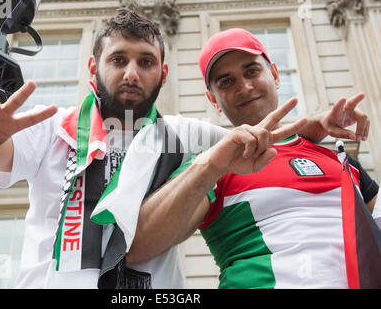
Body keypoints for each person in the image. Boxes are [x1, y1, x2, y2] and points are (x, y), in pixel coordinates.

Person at [0, 9, 371, 289]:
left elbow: (258, 138)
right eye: (118, 59)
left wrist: (316, 126)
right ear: (94, 67)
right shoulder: (51, 126)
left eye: (145, 62)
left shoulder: (185, 134)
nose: (131, 73)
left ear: (163, 74)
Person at [128, 28, 379, 289]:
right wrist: (210, 166)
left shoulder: (339, 161)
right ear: (213, 100)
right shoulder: (213, 164)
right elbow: (139, 247)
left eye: (251, 71)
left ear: (274, 75)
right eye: (226, 81)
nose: (244, 87)